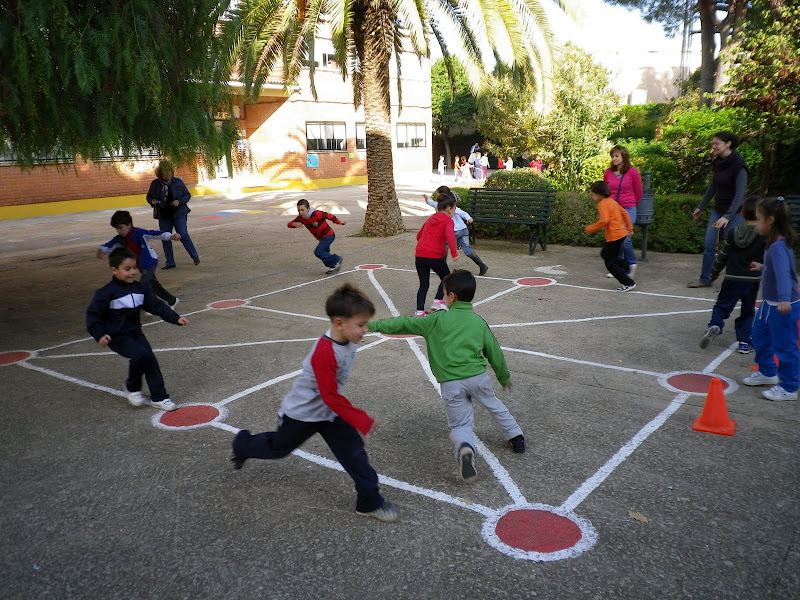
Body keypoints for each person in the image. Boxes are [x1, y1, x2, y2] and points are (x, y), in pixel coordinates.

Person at [231, 284, 398, 522]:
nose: (365, 331)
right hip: (303, 414)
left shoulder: (348, 340)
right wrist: (361, 419)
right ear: (339, 323)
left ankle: (369, 502)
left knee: (354, 455)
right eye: (360, 325)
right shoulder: (325, 352)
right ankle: (243, 444)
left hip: (329, 413)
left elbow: (330, 399)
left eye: (366, 324)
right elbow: (329, 395)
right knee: (278, 449)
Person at [368, 270, 525, 482]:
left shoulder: (436, 320)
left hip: (451, 382)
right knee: (494, 405)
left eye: (444, 294)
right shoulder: (478, 322)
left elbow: (403, 323)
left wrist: (372, 325)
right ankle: (516, 437)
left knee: (460, 424)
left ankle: (464, 448)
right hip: (477, 377)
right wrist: (503, 377)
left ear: (452, 296)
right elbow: (494, 352)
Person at [86, 248, 188, 411]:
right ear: (114, 270)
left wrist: (175, 318)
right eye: (127, 269)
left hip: (135, 332)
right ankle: (132, 387)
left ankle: (159, 397)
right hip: (116, 336)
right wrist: (99, 334)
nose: (133, 272)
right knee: (141, 355)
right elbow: (93, 316)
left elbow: (157, 306)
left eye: (134, 268)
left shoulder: (140, 289)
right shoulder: (105, 293)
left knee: (150, 360)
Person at [742, 197, 800, 402]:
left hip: (783, 305)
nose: (756, 223)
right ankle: (768, 372)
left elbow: (785, 275)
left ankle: (790, 386)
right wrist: (762, 267)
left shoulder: (778, 247)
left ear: (771, 220)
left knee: (786, 346)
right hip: (769, 304)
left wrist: (784, 298)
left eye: (758, 219)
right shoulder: (776, 244)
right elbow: (777, 271)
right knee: (759, 336)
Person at [699, 196, 766, 354]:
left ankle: (715, 324)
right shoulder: (763, 236)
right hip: (752, 280)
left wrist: (713, 274)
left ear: (741, 213)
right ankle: (744, 342)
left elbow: (722, 256)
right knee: (747, 311)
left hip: (732, 278)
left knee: (721, 305)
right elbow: (768, 258)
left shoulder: (733, 233)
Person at [688, 132, 748, 288]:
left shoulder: (739, 165)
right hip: (718, 209)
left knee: (732, 244)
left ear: (728, 144)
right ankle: (705, 279)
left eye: (717, 143)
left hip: (735, 213)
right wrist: (700, 207)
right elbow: (713, 187)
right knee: (709, 244)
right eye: (712, 144)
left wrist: (728, 216)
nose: (713, 146)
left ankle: (734, 280)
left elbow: (740, 194)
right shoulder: (718, 162)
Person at [96, 211, 181, 309]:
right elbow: (109, 245)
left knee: (143, 285)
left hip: (150, 262)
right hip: (140, 265)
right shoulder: (120, 239)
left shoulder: (139, 233)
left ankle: (153, 306)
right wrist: (101, 250)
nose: (118, 231)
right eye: (116, 229)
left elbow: (156, 234)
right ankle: (172, 300)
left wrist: (171, 236)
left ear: (129, 225)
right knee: (154, 285)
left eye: (120, 228)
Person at [146, 160, 199, 270]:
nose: (168, 174)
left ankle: (195, 257)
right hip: (163, 214)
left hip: (179, 213)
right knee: (165, 237)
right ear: (160, 173)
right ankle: (170, 262)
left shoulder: (177, 182)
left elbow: (187, 195)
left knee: (183, 234)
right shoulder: (155, 184)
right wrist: (153, 202)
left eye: (169, 171)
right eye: (165, 172)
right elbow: (149, 197)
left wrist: (179, 202)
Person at [424, 186, 488, 276]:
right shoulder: (452, 205)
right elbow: (463, 213)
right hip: (463, 230)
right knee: (467, 250)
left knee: (444, 246)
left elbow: (432, 203)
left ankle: (442, 267)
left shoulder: (443, 206)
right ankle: (482, 265)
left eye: (438, 195)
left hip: (454, 231)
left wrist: (427, 200)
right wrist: (468, 218)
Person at [585, 181, 636, 292]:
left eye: (592, 194)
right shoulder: (612, 201)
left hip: (614, 235)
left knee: (610, 262)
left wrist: (591, 228)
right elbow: (625, 214)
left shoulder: (602, 204)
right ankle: (626, 266)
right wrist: (629, 228)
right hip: (621, 234)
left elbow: (604, 220)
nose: (592, 197)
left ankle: (628, 283)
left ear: (598, 194)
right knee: (605, 254)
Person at [414, 193, 459, 316]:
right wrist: (454, 253)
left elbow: (419, 236)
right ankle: (438, 302)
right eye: (454, 209)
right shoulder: (448, 221)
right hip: (434, 256)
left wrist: (426, 245)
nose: (455, 212)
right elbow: (450, 237)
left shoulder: (430, 219)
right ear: (449, 209)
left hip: (420, 255)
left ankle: (419, 311)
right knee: (446, 278)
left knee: (423, 284)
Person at [603, 145, 643, 279]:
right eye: (612, 156)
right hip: (613, 209)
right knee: (614, 238)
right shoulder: (608, 172)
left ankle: (631, 264)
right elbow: (605, 191)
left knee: (625, 237)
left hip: (628, 208)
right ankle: (617, 267)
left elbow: (638, 192)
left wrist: (630, 203)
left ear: (624, 157)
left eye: (617, 156)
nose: (614, 159)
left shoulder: (633, 172)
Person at [288, 199, 346, 274]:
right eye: (298, 210)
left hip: (329, 235)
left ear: (308, 209)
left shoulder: (317, 214)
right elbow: (289, 224)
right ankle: (333, 266)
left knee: (318, 252)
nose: (300, 212)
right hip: (321, 238)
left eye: (302, 210)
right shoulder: (300, 218)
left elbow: (330, 216)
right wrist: (293, 224)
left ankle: (337, 259)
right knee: (324, 253)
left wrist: (338, 222)